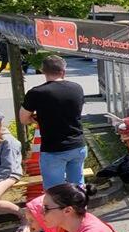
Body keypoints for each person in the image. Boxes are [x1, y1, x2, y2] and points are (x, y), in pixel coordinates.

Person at [20, 56, 86, 189]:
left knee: (55, 191)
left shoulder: (36, 93)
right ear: (63, 71)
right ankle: (80, 208)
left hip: (53, 149)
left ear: (43, 71)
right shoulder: (77, 88)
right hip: (78, 145)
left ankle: (58, 209)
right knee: (77, 187)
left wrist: (34, 119)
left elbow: (23, 118)